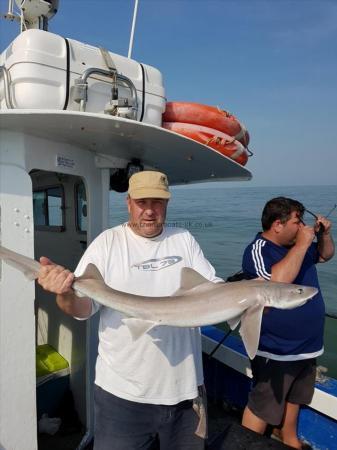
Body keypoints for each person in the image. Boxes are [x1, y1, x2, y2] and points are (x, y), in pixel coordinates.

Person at [37, 170, 222, 450]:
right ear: (129, 203)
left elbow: (213, 290)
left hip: (185, 392)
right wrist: (63, 294)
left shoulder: (184, 238)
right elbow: (82, 308)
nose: (149, 211)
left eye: (157, 202)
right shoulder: (107, 244)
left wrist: (251, 296)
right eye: (142, 202)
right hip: (122, 396)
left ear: (167, 204)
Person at [241, 197, 334, 449]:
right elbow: (274, 284)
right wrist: (303, 244)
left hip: (308, 345)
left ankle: (289, 438)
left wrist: (324, 235)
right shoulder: (258, 250)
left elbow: (325, 255)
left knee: (295, 398)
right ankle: (246, 444)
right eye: (297, 221)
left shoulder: (297, 246)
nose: (302, 226)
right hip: (276, 349)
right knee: (263, 405)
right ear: (277, 225)